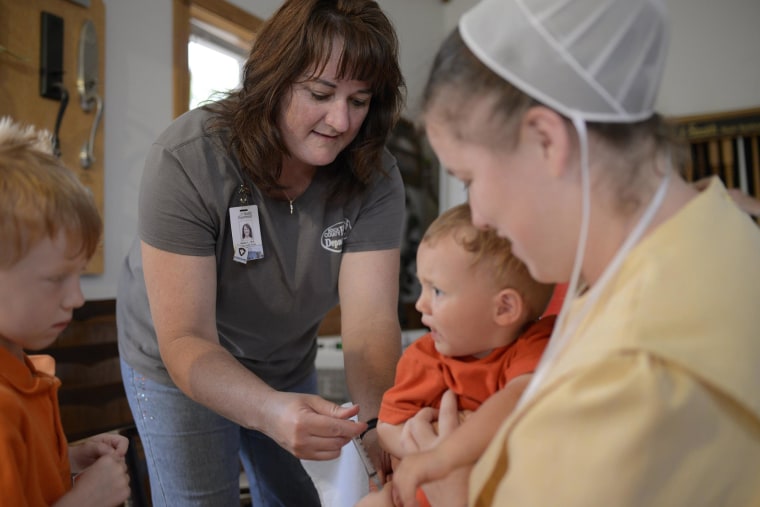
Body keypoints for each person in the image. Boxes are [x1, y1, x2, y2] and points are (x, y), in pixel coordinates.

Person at [385, 0, 760, 506]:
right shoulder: (716, 233)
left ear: (546, 140)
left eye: (470, 179)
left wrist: (454, 493)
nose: (478, 218)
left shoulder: (633, 377)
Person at [115, 0, 406, 504]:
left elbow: (370, 325)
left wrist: (379, 421)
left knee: (299, 497)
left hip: (284, 360)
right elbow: (186, 339)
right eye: (321, 94)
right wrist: (269, 412)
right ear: (273, 80)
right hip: (179, 364)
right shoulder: (186, 160)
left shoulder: (374, 177)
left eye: (359, 101)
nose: (340, 120)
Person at [372, 203, 555, 507]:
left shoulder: (535, 344)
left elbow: (518, 397)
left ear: (504, 308)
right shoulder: (424, 357)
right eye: (422, 287)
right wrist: (427, 448)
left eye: (437, 291)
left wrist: (447, 452)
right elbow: (387, 428)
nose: (420, 304)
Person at [0, 117, 131, 506]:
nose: (76, 298)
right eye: (57, 279)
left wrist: (66, 457)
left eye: (78, 276)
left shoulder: (19, 366)